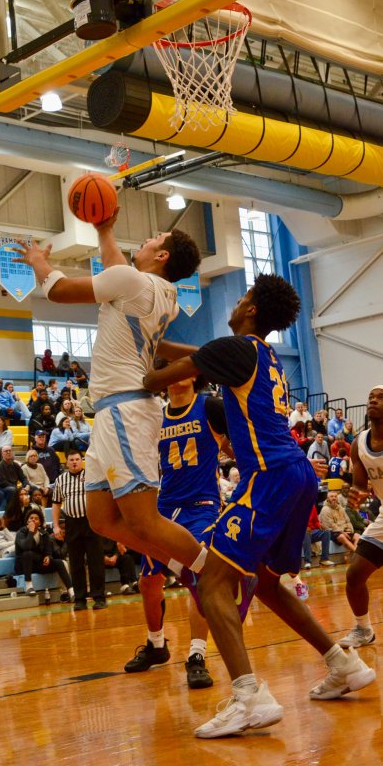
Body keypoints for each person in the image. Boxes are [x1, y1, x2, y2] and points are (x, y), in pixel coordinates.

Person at [142, 273, 374, 738]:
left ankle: (249, 696)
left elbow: (153, 378)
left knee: (212, 583)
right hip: (297, 475)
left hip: (268, 476)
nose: (235, 303)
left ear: (250, 309)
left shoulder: (236, 350)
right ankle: (342, 663)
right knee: (267, 583)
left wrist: (137, 346)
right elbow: (192, 354)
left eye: (242, 297)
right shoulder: (263, 354)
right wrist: (154, 340)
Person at [14, 213, 206, 590]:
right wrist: (104, 231)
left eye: (156, 237)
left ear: (163, 255)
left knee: (144, 520)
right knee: (101, 519)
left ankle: (213, 568)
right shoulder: (163, 293)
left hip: (125, 409)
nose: (148, 239)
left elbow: (59, 290)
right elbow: (117, 268)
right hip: (112, 411)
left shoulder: (133, 282)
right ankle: (182, 566)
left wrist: (39, 263)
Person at [124, 376, 231, 689]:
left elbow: (235, 442)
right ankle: (156, 645)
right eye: (167, 369)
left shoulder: (210, 406)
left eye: (180, 367)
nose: (174, 373)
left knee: (199, 578)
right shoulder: (156, 415)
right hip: (165, 507)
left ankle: (197, 655)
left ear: (195, 374)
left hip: (202, 506)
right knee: (148, 582)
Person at [338, 386, 383, 649]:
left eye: (381, 398)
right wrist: (356, 494)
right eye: (371, 397)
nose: (374, 401)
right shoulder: (359, 443)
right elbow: (360, 485)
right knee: (355, 574)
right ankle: (363, 629)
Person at [52, 452, 106, 610]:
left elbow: (102, 496)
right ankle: (80, 599)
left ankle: (99, 597)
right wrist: (56, 525)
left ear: (82, 461)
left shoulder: (92, 476)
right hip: (72, 523)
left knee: (96, 561)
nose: (75, 462)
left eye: (77, 459)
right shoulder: (60, 480)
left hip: (91, 522)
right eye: (71, 460)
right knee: (76, 563)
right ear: (66, 463)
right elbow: (56, 503)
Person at [15, 507, 74, 601]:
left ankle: (71, 591)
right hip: (24, 565)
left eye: (36, 518)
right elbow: (26, 546)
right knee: (27, 553)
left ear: (40, 523)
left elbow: (48, 550)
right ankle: (29, 586)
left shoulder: (44, 533)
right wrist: (31, 532)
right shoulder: (21, 532)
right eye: (31, 518)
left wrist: (48, 557)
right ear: (27, 521)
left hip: (38, 564)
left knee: (60, 562)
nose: (33, 520)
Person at [302, 505, 335, 569]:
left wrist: (319, 525)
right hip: (301, 533)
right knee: (306, 533)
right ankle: (307, 561)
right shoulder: (296, 506)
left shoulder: (312, 506)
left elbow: (316, 521)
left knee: (326, 532)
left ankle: (324, 559)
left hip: (312, 531)